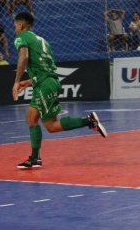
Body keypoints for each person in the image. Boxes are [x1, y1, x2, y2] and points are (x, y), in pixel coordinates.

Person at [11, 12, 107, 169]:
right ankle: (89, 121)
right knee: (48, 125)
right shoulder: (42, 41)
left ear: (21, 25)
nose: (14, 28)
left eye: (15, 25)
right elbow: (47, 68)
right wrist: (28, 82)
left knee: (35, 120)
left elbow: (24, 58)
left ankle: (36, 158)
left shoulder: (21, 38)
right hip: (51, 82)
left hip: (45, 85)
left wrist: (16, 82)